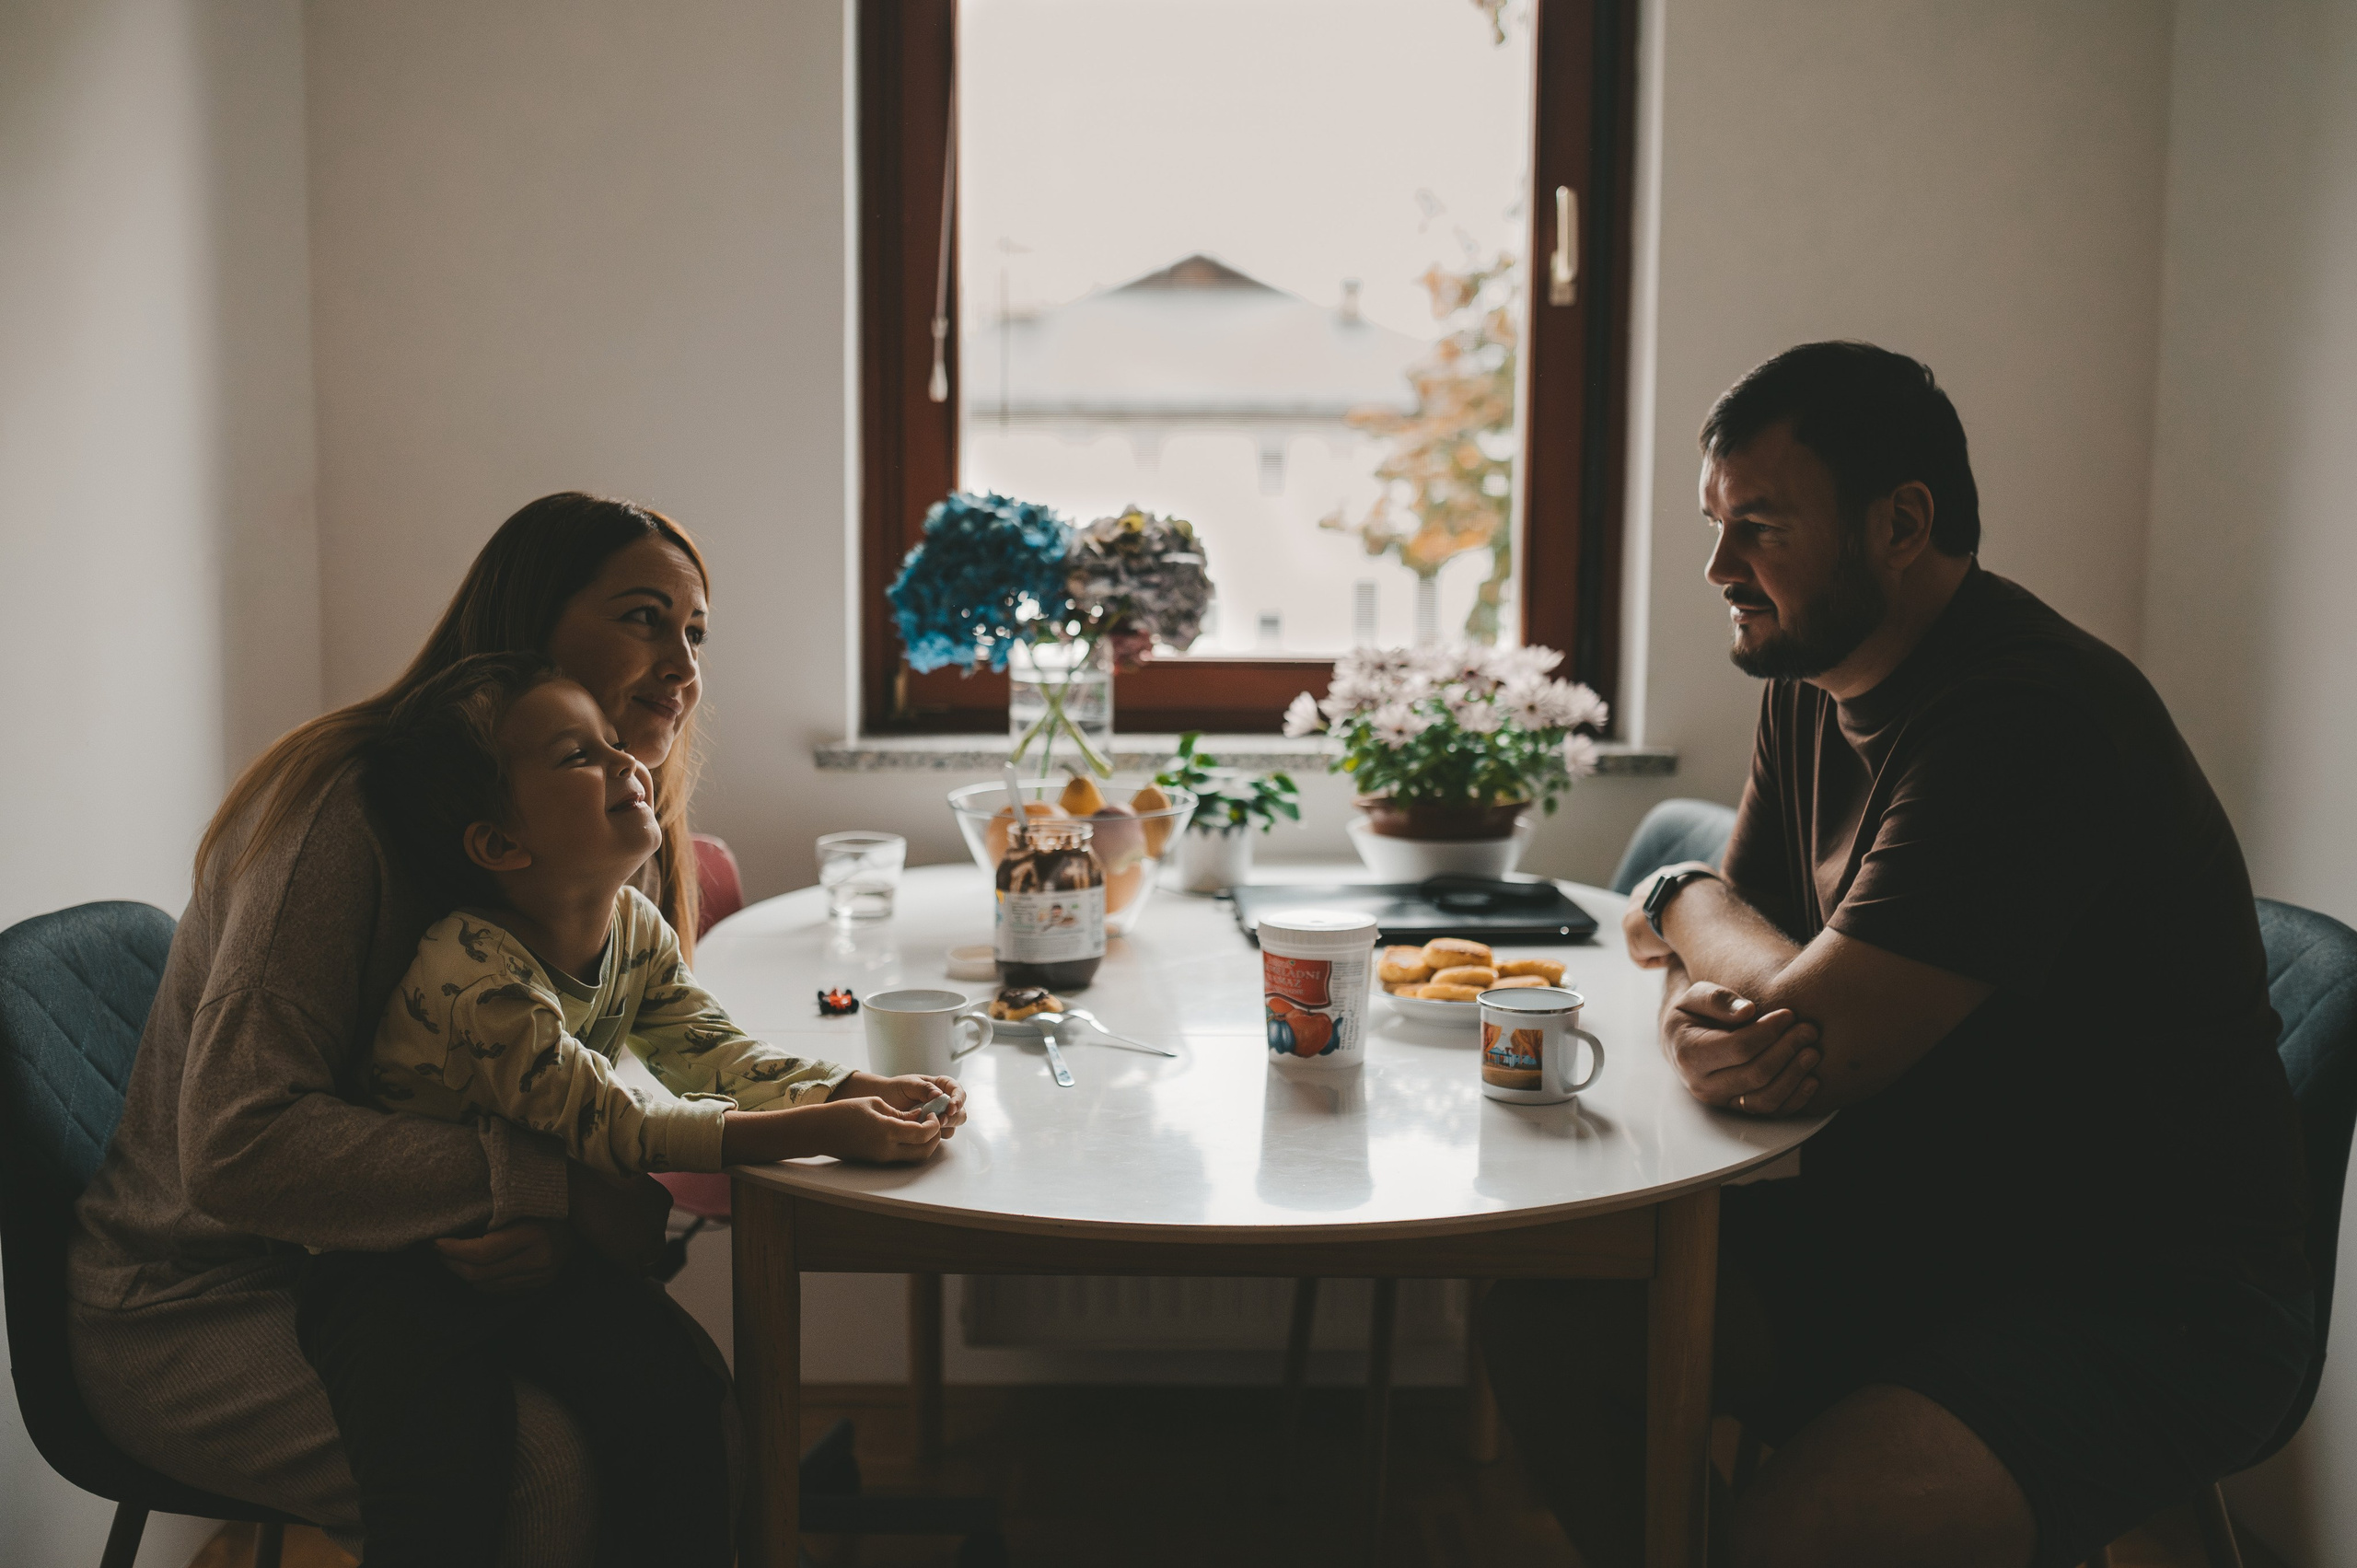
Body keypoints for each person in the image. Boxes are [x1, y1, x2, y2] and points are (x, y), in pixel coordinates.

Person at [1483, 343, 2313, 1568]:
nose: (1720, 569)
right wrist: (1696, 943)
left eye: (1758, 525)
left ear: (1902, 522)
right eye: (1715, 525)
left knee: (1812, 1527)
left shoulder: (2029, 719)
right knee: (1551, 1314)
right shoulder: (1810, 674)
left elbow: (1819, 1037)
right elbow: (1734, 941)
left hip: (2137, 1285)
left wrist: (1684, 907)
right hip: (1932, 1218)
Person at [67, 494, 745, 1563]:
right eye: (643, 617)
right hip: (212, 1288)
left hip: (414, 1262)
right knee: (546, 1471)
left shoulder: (608, 816)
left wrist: (559, 1218)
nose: (681, 664)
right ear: (532, 620)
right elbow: (242, 1144)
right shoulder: (342, 812)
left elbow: (555, 1103)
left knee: (687, 1400)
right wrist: (542, 1190)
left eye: (694, 631)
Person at [286, 651, 965, 1567]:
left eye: (614, 742)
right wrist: (820, 1129)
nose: (626, 763)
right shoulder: (477, 971)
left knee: (678, 1396)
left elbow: (712, 1056)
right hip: (391, 1267)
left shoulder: (634, 924)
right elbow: (614, 1125)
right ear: (498, 843)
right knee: (441, 1486)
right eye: (577, 755)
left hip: (531, 1241)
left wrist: (850, 1089)